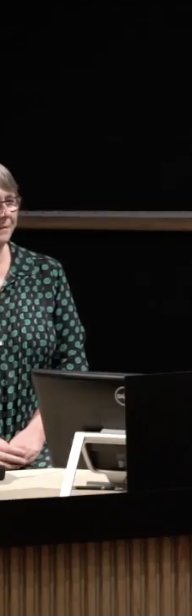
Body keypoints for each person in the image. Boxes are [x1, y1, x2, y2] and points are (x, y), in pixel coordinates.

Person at [0, 163, 89, 469]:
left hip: (38, 455)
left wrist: (39, 430)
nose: (4, 214)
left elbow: (72, 363)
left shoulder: (45, 272)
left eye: (9, 202)